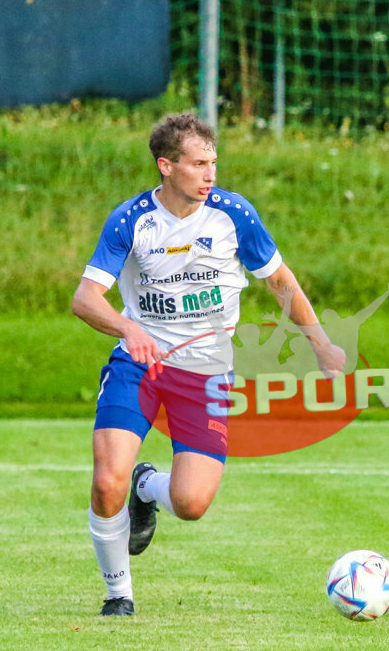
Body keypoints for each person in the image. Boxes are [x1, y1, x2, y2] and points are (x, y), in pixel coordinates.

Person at [72, 113, 345, 616]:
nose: (210, 173)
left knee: (192, 504)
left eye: (213, 163)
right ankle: (118, 595)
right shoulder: (131, 221)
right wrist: (128, 327)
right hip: (140, 364)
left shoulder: (233, 214)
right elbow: (86, 299)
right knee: (106, 478)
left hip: (207, 373)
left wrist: (321, 343)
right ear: (166, 166)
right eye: (199, 164)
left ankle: (147, 487)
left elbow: (280, 281)